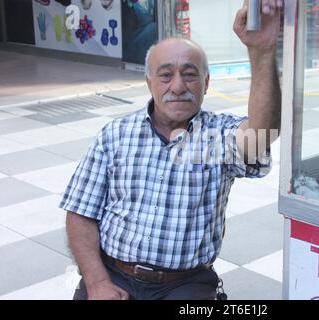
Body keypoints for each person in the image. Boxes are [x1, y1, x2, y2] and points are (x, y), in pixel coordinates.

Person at [60, 0, 282, 300]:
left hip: (186, 283)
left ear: (206, 82)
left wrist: (263, 51)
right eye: (165, 75)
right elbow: (80, 213)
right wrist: (97, 283)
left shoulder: (217, 135)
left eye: (190, 74)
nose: (178, 86)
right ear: (149, 81)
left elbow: (260, 134)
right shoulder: (115, 135)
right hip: (112, 273)